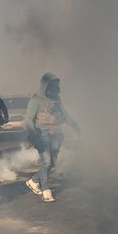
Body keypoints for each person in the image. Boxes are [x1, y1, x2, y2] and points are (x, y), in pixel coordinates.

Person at [24, 72, 81, 203]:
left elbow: (64, 114)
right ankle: (46, 191)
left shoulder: (57, 99)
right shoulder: (36, 100)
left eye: (56, 86)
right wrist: (35, 137)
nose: (55, 89)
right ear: (45, 86)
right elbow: (29, 120)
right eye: (52, 86)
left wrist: (75, 125)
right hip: (42, 135)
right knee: (46, 162)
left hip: (56, 134)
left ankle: (33, 181)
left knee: (52, 163)